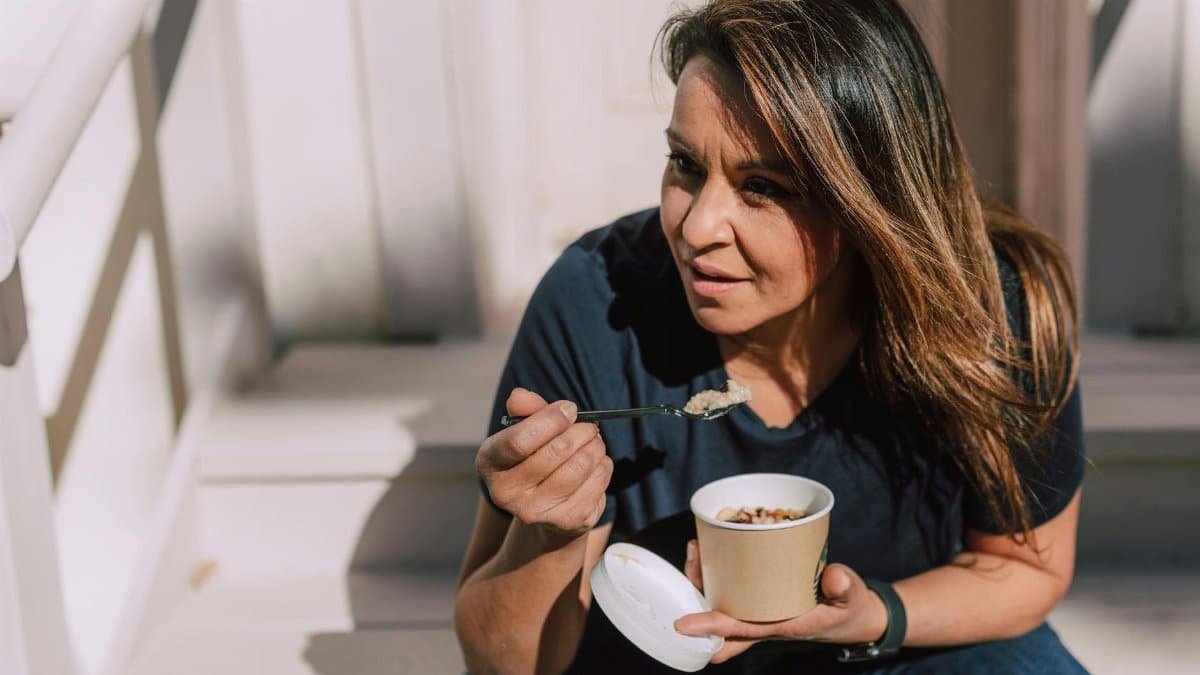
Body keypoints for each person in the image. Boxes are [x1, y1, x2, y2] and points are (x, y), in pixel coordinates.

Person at [453, 1, 1087, 673]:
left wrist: (877, 613)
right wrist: (549, 533)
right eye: (685, 165)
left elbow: (1024, 567)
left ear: (868, 203)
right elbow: (505, 664)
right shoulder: (596, 300)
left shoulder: (992, 308)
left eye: (763, 186)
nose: (698, 229)